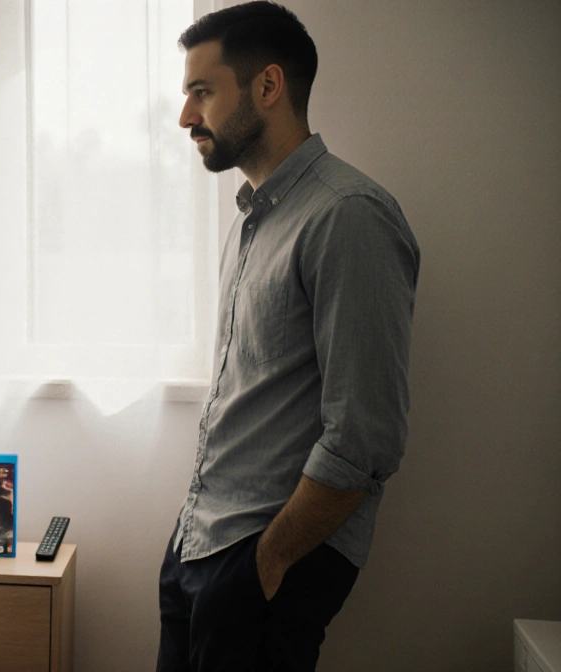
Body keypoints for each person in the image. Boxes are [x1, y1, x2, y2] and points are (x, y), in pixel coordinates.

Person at [158, 3, 420, 671]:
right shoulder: (253, 221)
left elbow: (364, 439)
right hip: (202, 543)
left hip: (265, 564)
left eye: (202, 91)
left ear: (268, 87)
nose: (187, 117)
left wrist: (264, 566)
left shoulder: (347, 217)